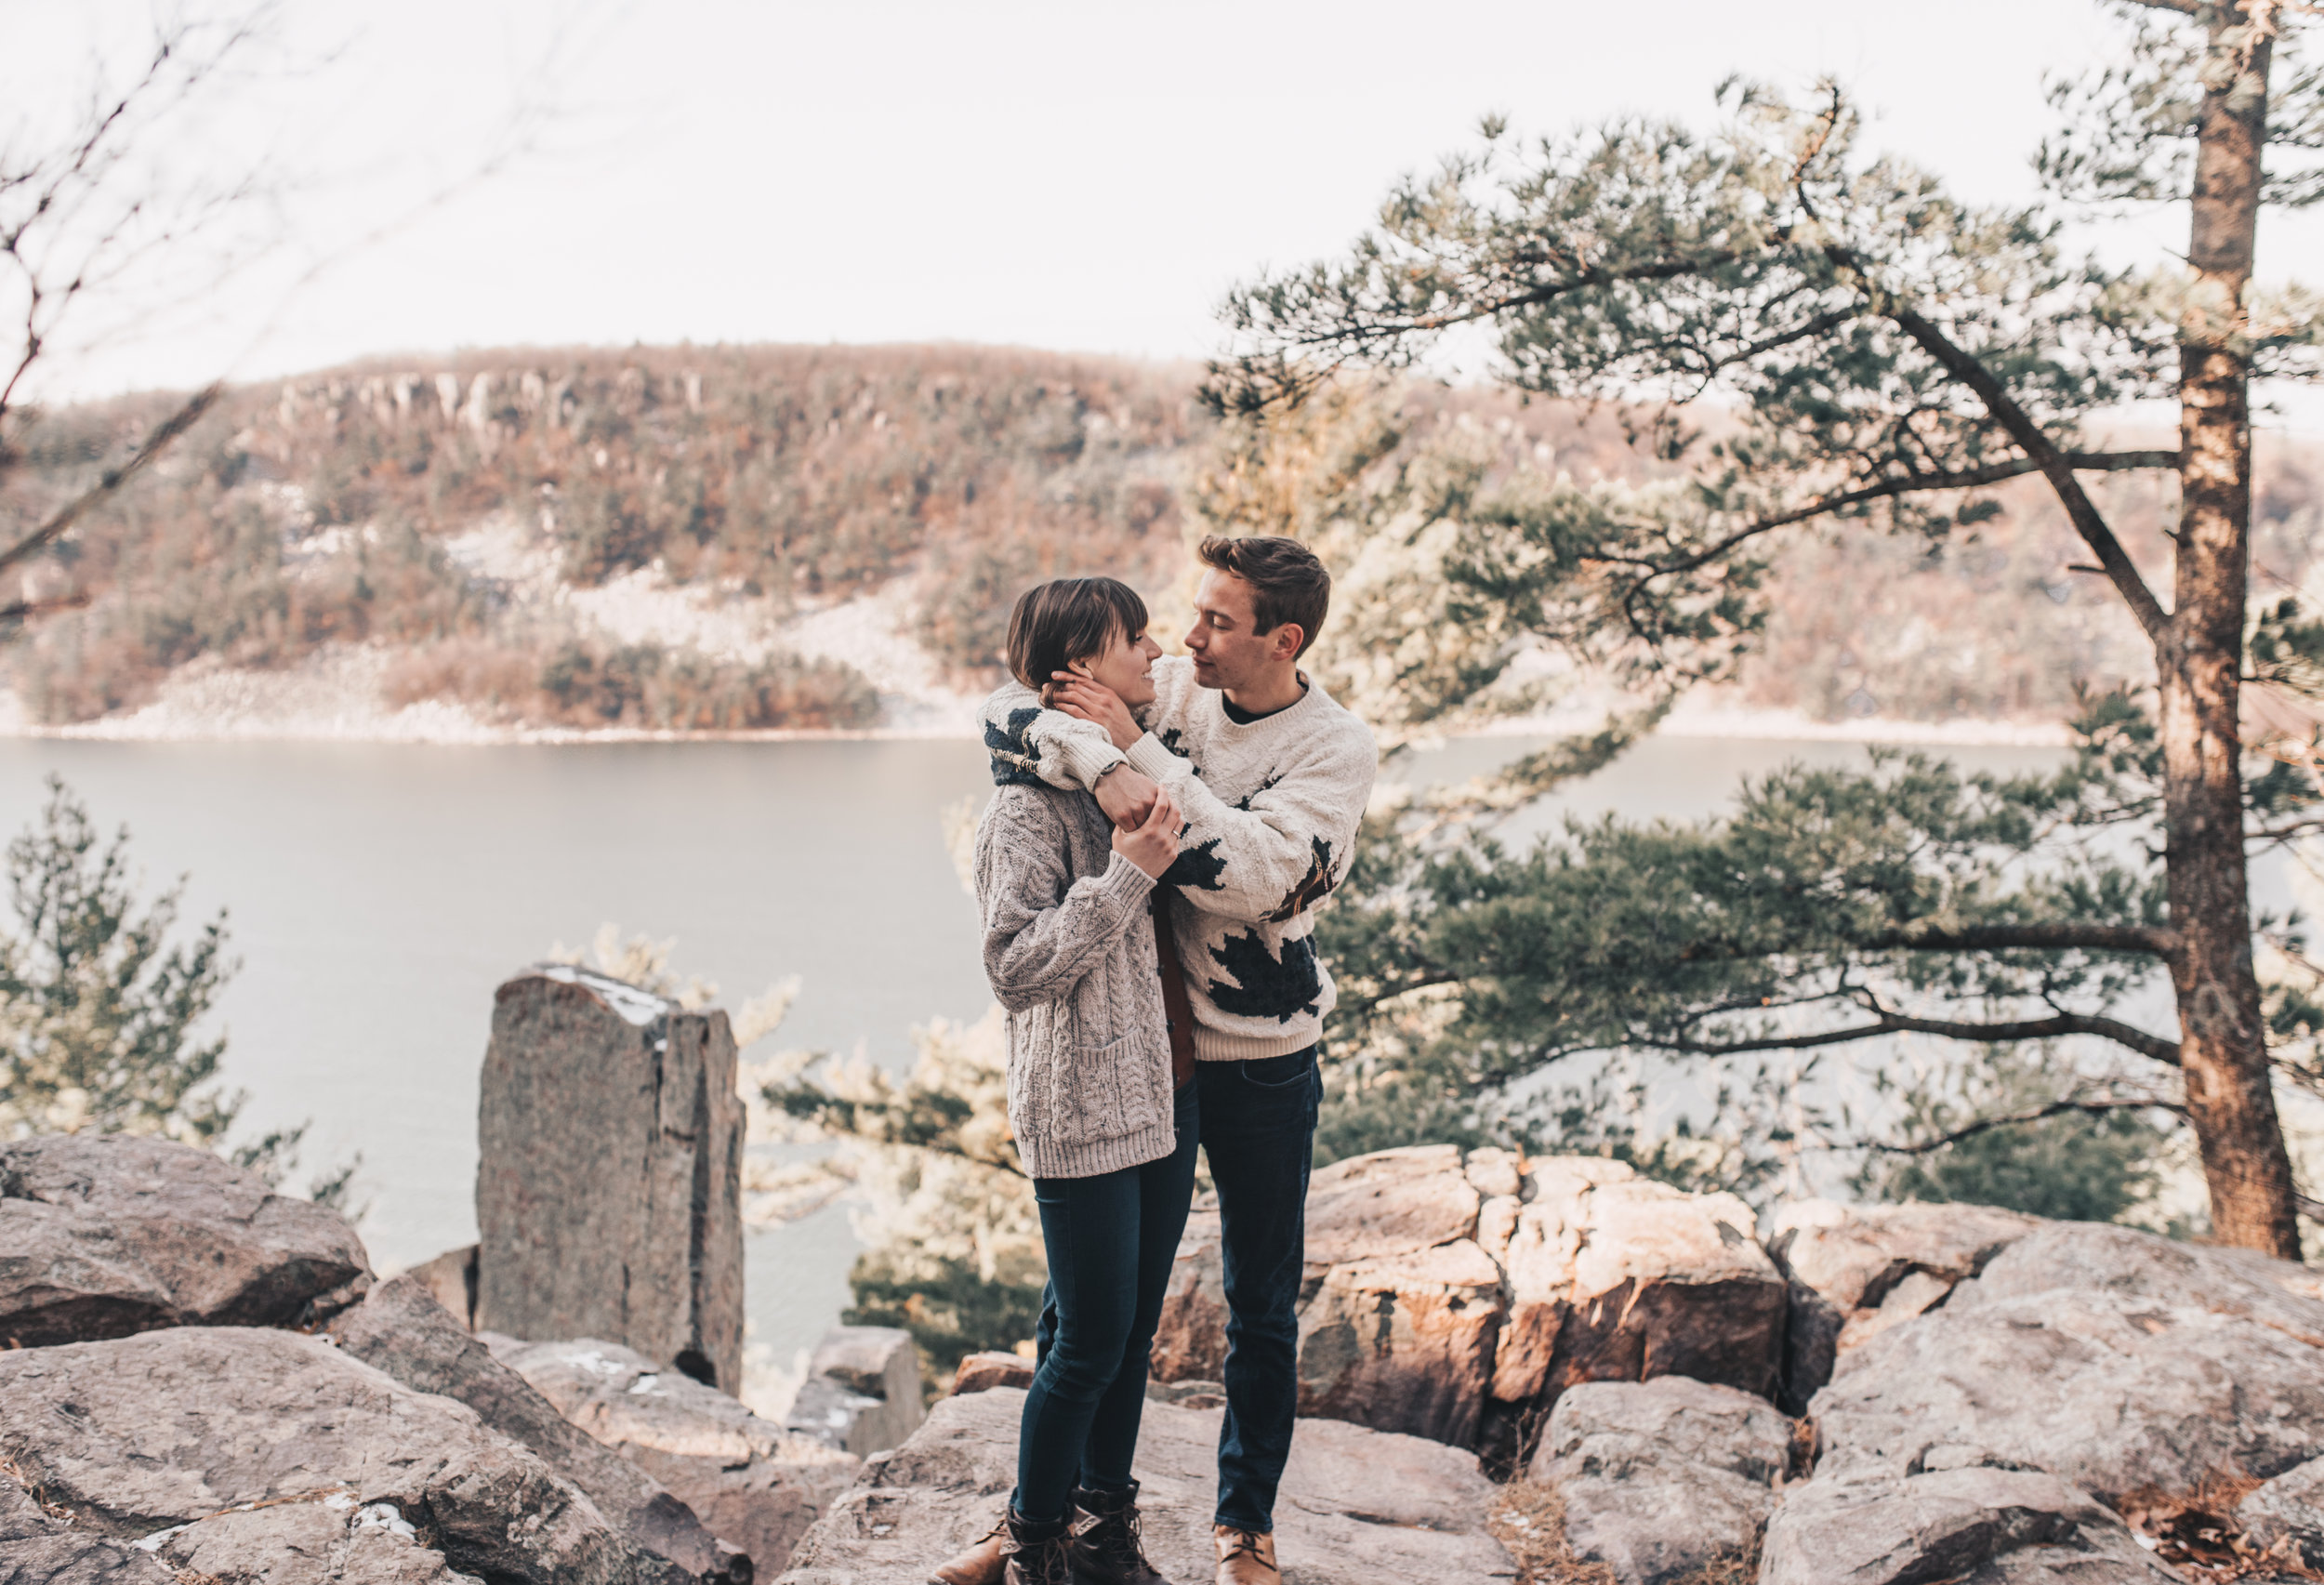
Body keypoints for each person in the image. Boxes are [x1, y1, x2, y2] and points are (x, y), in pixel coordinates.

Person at [981, 536, 1378, 1585]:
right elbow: (1013, 711)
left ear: (1280, 640)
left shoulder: (1335, 747)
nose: (1184, 639)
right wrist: (1107, 756)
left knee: (1259, 1303)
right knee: (1095, 1309)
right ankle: (1040, 1515)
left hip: (1260, 1059)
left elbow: (1252, 877)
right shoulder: (1172, 691)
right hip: (1153, 1057)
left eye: (1214, 622)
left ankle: (1242, 1523)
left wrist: (1132, 764)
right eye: (1187, 615)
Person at [933, 576, 1196, 1585]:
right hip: (1081, 1113)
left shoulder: (1125, 768)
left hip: (1162, 1102)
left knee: (1126, 1339)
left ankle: (1103, 1534)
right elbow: (1013, 968)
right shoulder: (1021, 812)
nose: (1154, 648)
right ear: (1084, 665)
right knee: (1087, 1342)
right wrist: (1126, 874)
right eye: (1134, 638)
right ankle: (1034, 1544)